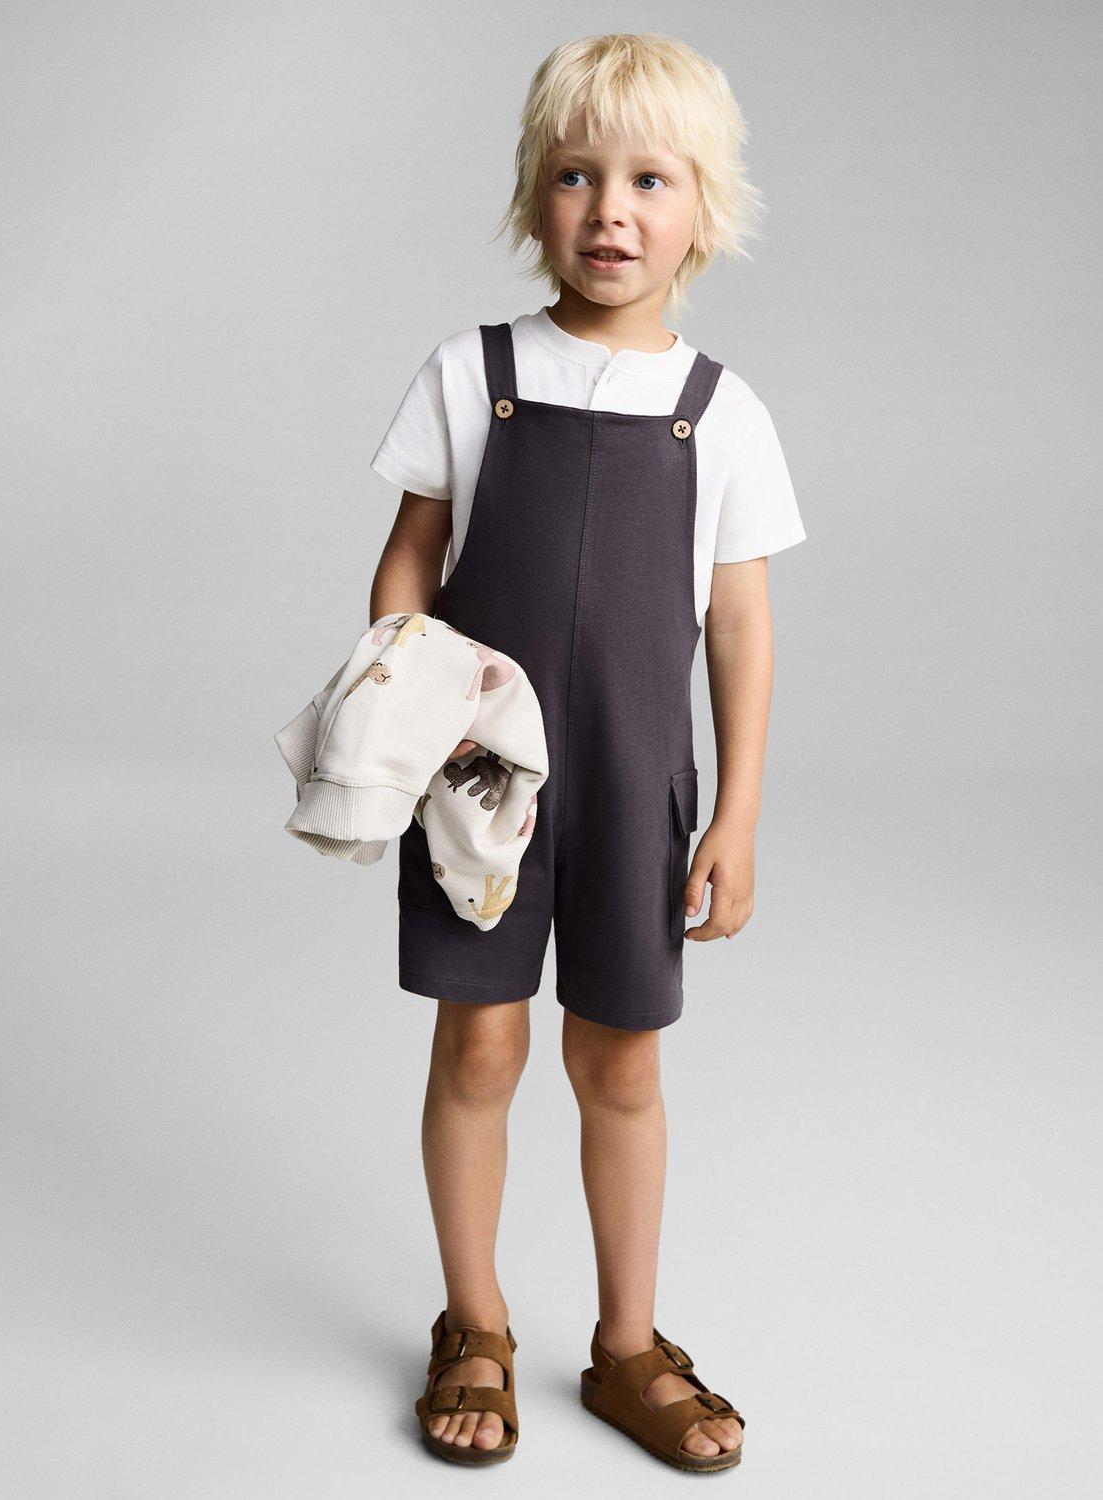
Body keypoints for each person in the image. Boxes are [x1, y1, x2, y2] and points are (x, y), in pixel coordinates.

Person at [367, 32, 805, 1471]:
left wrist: (735, 813)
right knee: (478, 1044)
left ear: (703, 209)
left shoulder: (719, 412)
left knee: (619, 1064)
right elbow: (410, 559)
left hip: (633, 790)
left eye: (647, 181)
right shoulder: (473, 372)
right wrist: (406, 707)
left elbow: (739, 626)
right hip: (479, 787)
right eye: (574, 176)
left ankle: (627, 1346)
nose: (609, 211)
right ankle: (475, 1323)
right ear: (532, 195)